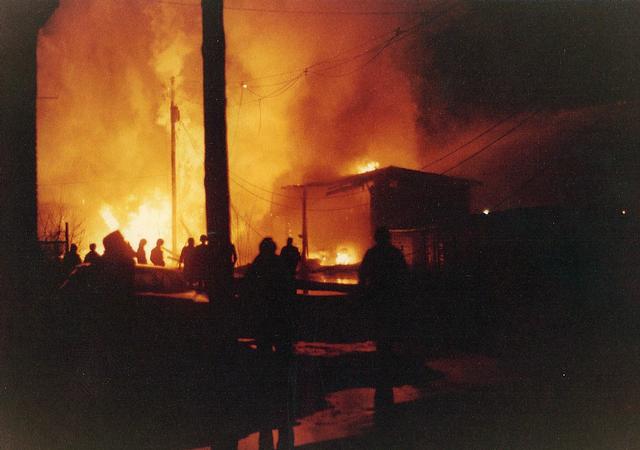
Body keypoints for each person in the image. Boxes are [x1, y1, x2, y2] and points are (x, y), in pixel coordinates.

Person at [358, 227, 408, 366]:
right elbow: (404, 273)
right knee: (390, 324)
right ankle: (388, 355)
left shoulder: (372, 253)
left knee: (380, 324)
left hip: (377, 294)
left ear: (376, 238)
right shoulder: (395, 253)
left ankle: (382, 355)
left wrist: (361, 288)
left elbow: (363, 272)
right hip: (391, 294)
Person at [244, 238, 293, 356]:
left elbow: (248, 284)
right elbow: (287, 284)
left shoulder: (257, 263)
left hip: (262, 306)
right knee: (280, 340)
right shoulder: (278, 263)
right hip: (276, 306)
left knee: (263, 341)